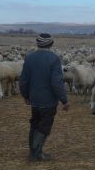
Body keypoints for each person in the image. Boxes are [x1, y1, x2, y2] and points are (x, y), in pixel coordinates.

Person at [19, 33, 70, 161]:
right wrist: (64, 100)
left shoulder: (29, 57)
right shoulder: (54, 59)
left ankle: (34, 152)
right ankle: (36, 154)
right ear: (51, 44)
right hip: (48, 101)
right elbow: (56, 82)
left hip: (34, 100)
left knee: (35, 124)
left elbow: (24, 79)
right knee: (44, 126)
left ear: (37, 43)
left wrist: (25, 95)